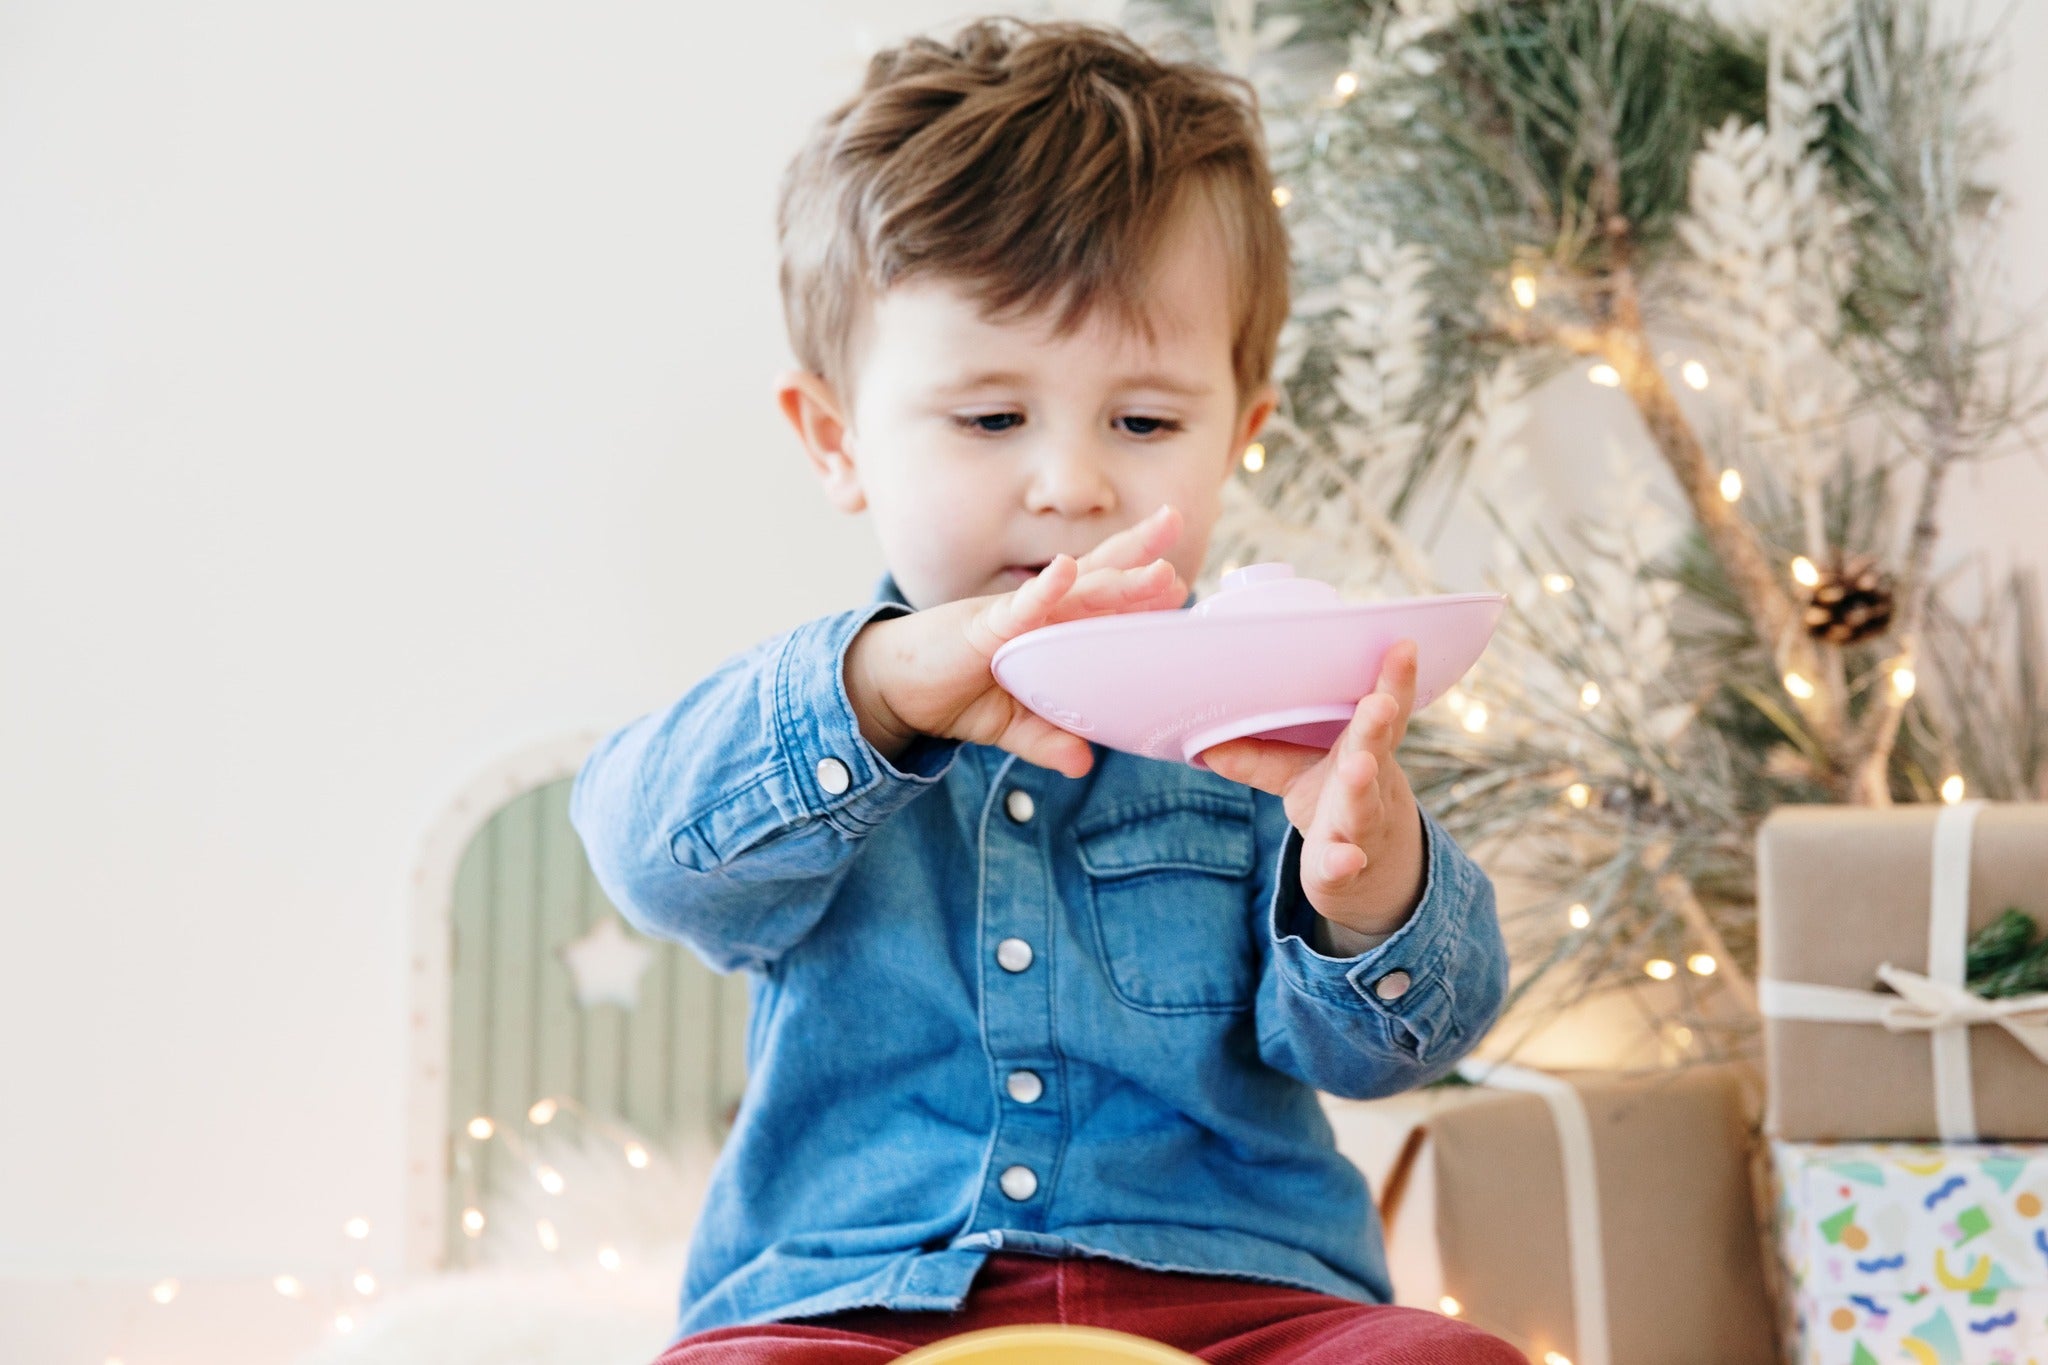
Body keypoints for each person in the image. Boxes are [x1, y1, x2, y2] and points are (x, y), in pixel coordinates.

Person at [570, 18, 1519, 1363]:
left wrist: (1368, 883)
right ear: (839, 440)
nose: (1072, 483)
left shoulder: (1273, 708)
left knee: (1445, 1358)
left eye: (1143, 423)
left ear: (1237, 436)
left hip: (1238, 1302)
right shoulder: (812, 714)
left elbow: (1392, 1050)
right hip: (859, 1299)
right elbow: (644, 851)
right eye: (991, 419)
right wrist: (882, 689)